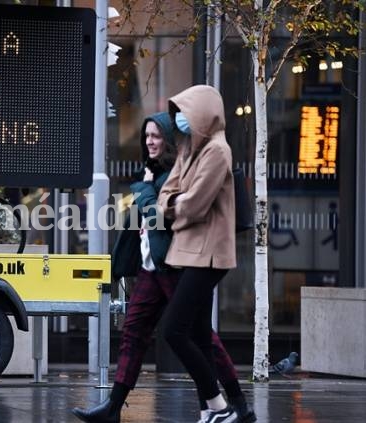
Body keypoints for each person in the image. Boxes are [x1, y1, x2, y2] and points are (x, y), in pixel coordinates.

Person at [71, 112, 255, 423]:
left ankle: (237, 405)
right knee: (133, 332)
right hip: (150, 267)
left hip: (176, 265)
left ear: (169, 139)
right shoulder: (152, 172)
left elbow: (165, 214)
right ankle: (112, 407)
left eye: (156, 136)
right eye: (146, 136)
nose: (149, 142)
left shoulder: (176, 173)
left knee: (201, 338)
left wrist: (143, 192)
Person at [157, 85, 240, 423]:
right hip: (189, 251)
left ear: (203, 113)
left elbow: (194, 205)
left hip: (208, 254)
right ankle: (210, 410)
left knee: (173, 330)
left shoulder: (218, 151)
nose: (179, 119)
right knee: (199, 335)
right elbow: (166, 193)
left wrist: (174, 203)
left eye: (185, 112)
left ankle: (220, 406)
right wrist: (174, 202)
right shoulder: (189, 148)